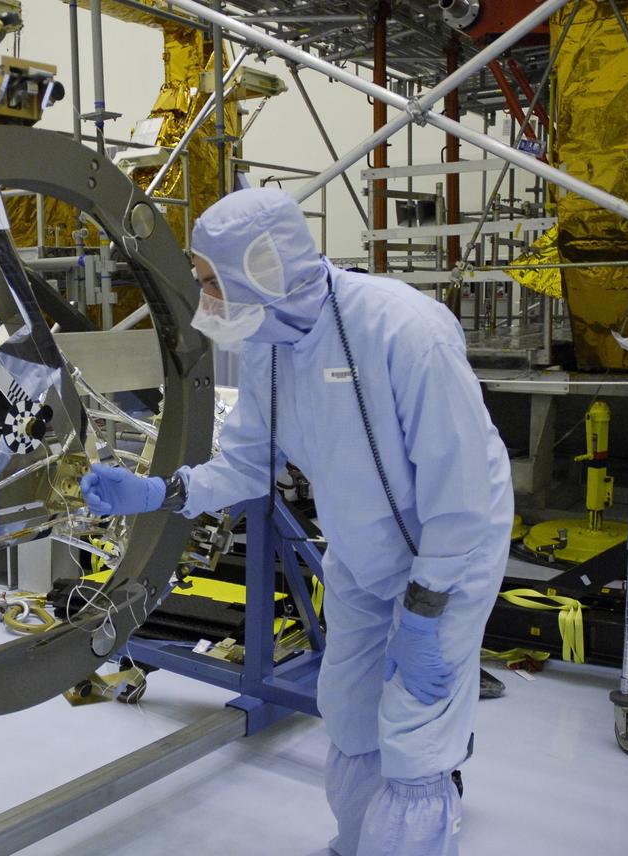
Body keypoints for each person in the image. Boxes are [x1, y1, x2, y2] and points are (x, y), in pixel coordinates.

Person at [79, 187, 512, 856]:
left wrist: (428, 611)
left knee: (413, 738)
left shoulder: (404, 332)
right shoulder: (269, 347)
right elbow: (249, 460)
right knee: (349, 710)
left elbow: (462, 496)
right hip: (362, 552)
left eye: (208, 281)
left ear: (264, 266)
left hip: (447, 557)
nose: (207, 300)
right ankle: (357, 842)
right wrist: (160, 491)